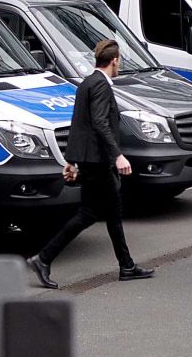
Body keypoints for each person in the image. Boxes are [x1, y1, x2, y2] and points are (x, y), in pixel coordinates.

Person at [27, 39, 154, 289]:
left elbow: (78, 124)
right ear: (114, 60)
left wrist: (72, 161)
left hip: (89, 159)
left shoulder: (87, 83)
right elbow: (99, 122)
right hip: (98, 161)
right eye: (119, 62)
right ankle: (44, 258)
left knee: (102, 213)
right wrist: (117, 155)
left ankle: (125, 265)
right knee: (99, 214)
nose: (119, 66)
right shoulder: (101, 86)